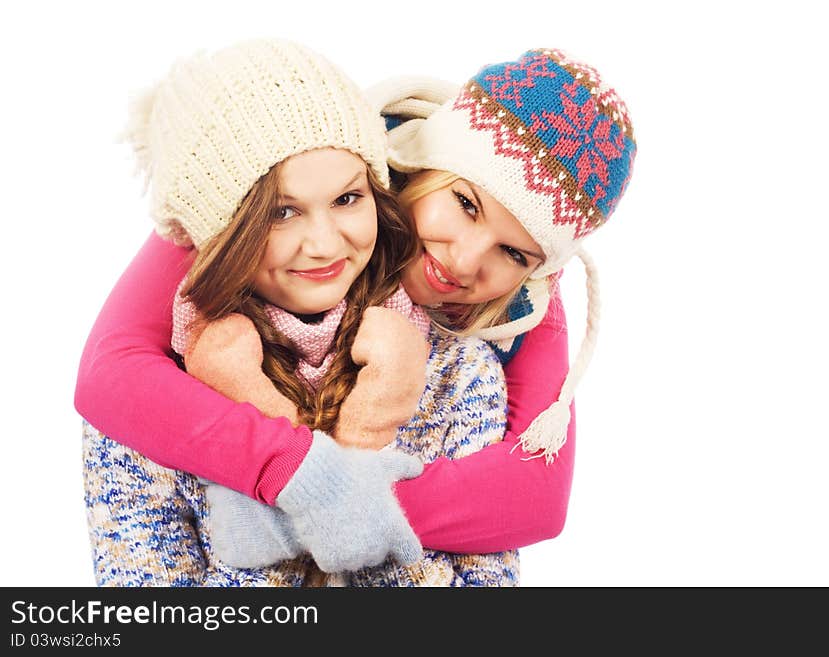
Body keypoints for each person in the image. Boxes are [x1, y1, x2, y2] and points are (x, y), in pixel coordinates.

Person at [76, 46, 636, 584]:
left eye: (513, 253)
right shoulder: (293, 158)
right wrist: (293, 471)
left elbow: (535, 496)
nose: (464, 262)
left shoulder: (499, 331)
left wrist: (338, 503)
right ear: (417, 163)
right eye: (464, 204)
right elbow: (112, 373)